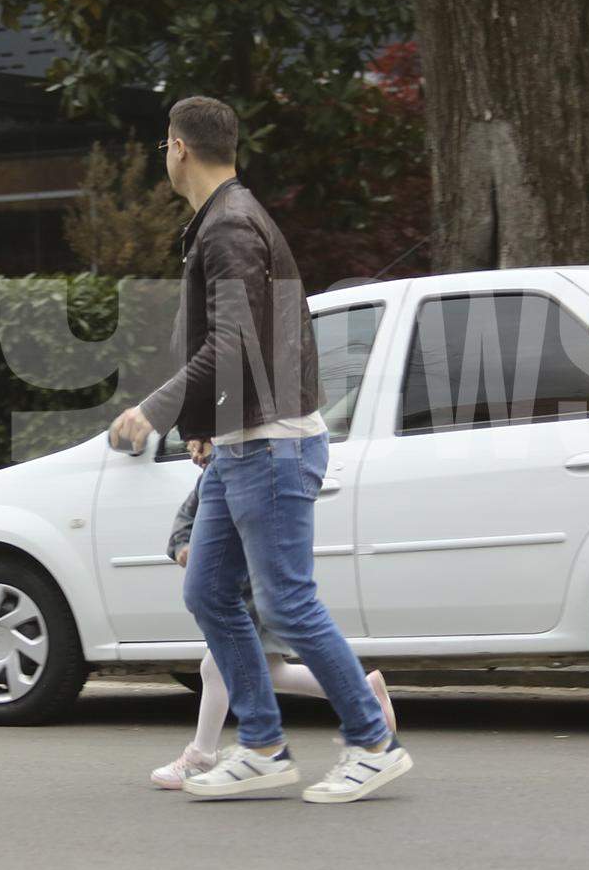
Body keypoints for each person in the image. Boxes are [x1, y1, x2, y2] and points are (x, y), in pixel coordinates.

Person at [110, 96, 412, 804]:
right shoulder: (224, 220)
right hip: (243, 446)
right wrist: (203, 426)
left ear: (179, 148)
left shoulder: (231, 226)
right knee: (209, 591)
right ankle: (263, 746)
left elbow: (235, 339)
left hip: (271, 451)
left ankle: (373, 741)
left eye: (164, 146)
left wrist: (153, 409)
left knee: (286, 605)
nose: (165, 157)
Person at [151, 438, 396, 790]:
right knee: (265, 671)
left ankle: (203, 754)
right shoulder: (215, 478)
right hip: (237, 590)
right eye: (190, 445)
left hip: (248, 592)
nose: (194, 453)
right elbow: (185, 522)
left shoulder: (249, 471)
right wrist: (185, 549)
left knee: (218, 667)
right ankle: (361, 696)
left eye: (198, 442)